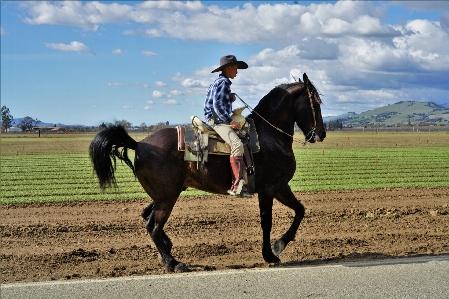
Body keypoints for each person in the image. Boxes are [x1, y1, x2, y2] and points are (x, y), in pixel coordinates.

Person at [204, 55, 252, 198]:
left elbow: (218, 101)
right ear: (229, 68)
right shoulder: (223, 83)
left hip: (214, 118)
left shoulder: (219, 82)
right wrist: (230, 121)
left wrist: (229, 97)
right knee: (237, 144)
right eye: (236, 68)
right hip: (217, 120)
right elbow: (217, 106)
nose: (237, 72)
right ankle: (237, 185)